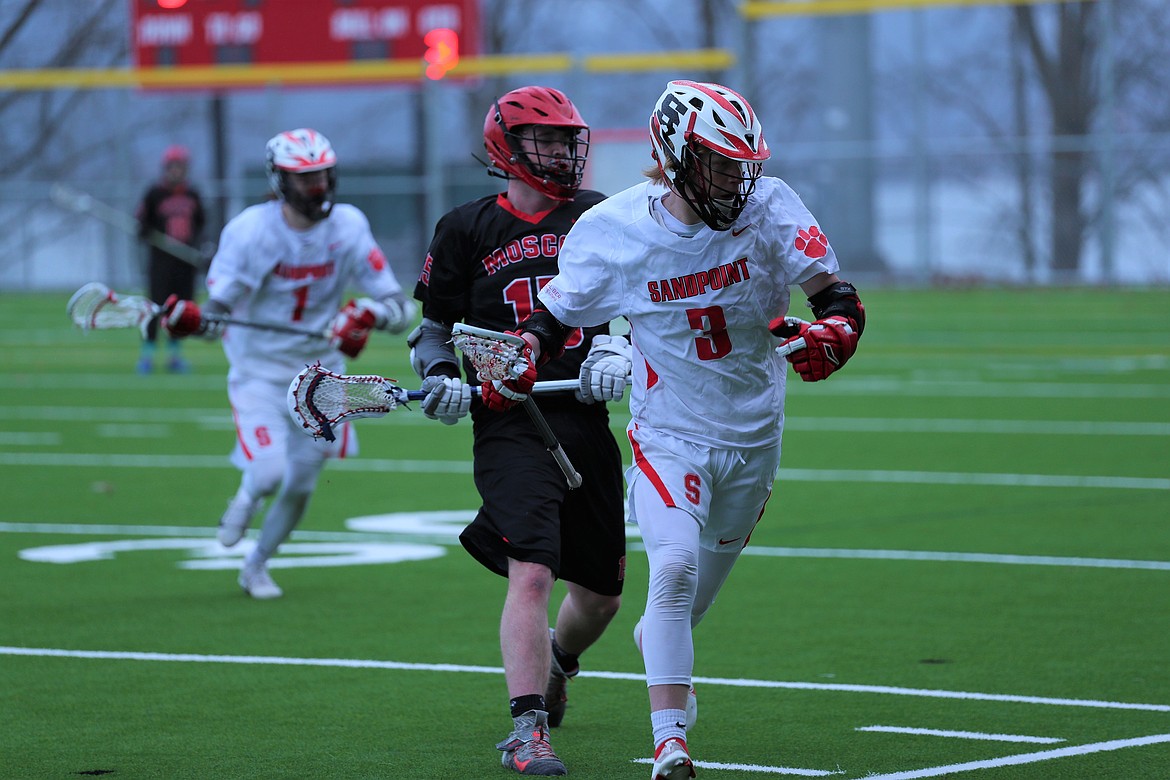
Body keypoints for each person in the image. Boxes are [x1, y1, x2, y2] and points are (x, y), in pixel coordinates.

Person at [483, 80, 867, 780]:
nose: (737, 181)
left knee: (686, 607)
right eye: (721, 164)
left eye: (743, 165)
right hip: (669, 435)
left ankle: (653, 652)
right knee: (675, 571)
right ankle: (670, 747)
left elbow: (836, 299)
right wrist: (525, 352)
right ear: (676, 155)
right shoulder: (616, 229)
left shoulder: (771, 206)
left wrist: (837, 332)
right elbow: (553, 317)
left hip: (752, 437)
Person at [408, 86, 629, 776]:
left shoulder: (597, 215)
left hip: (584, 414)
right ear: (507, 147)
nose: (564, 152)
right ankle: (528, 732)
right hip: (508, 420)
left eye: (569, 140)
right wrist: (443, 375)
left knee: (600, 596)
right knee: (530, 571)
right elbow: (432, 331)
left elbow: (635, 302)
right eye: (548, 140)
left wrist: (615, 347)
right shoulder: (465, 228)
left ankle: (560, 663)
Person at [161, 128, 415, 599]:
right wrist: (190, 321)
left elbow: (401, 308)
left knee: (300, 486)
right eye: (304, 179)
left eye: (321, 176)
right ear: (280, 180)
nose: (316, 188)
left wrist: (367, 315)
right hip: (259, 371)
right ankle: (245, 496)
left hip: (321, 378)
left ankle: (256, 564)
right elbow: (217, 313)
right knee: (269, 473)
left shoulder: (349, 226)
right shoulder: (251, 232)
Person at [135, 144, 207, 374]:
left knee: (180, 309)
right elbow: (141, 225)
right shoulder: (154, 194)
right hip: (161, 262)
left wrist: (196, 248)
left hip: (184, 263)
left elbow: (201, 224)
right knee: (156, 306)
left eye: (181, 167)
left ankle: (175, 355)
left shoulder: (193, 195)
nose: (177, 171)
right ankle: (147, 355)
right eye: (173, 167)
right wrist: (146, 232)